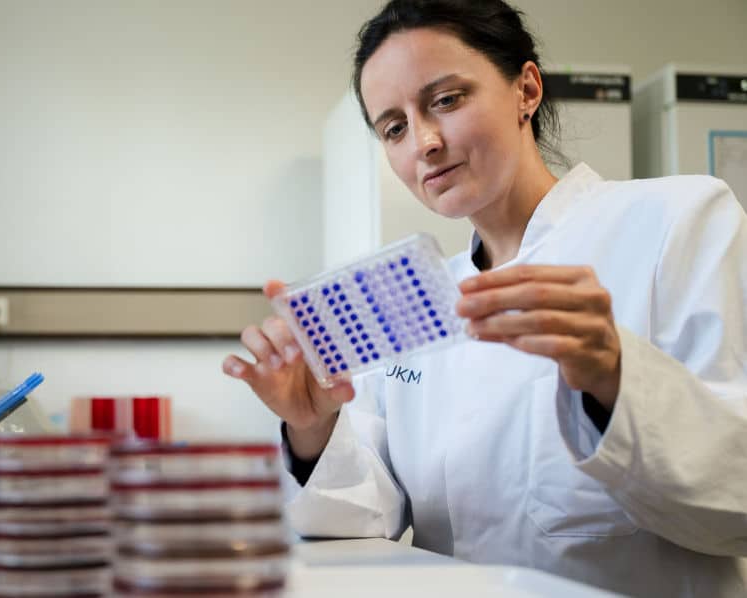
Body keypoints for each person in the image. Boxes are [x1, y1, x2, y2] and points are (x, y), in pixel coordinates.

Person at [221, 1, 747, 595]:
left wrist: (614, 379)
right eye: (393, 128)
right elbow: (369, 514)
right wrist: (311, 427)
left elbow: (736, 498)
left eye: (446, 100)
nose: (423, 142)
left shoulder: (676, 220)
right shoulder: (416, 294)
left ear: (526, 89)